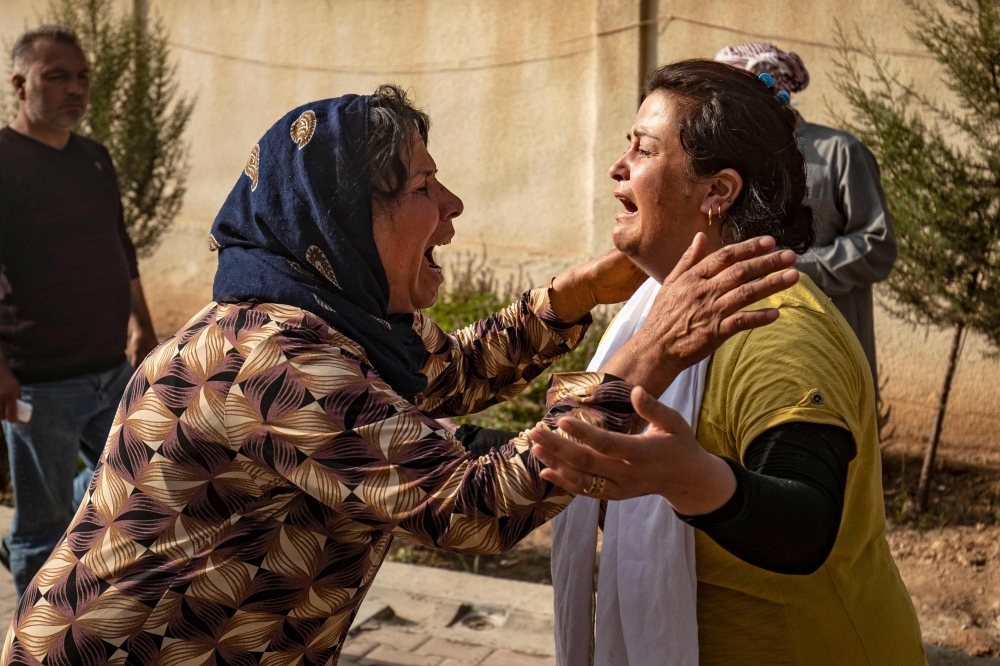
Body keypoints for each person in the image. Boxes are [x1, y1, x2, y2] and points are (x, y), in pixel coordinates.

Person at [0, 85, 798, 665]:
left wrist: (575, 298)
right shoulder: (267, 357)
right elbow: (470, 509)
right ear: (341, 219)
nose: (452, 205)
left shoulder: (345, 325)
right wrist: (644, 354)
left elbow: (439, 373)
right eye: (422, 188)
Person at [533, 61, 926, 665]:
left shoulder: (775, 325)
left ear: (718, 191)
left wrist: (688, 478)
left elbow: (805, 521)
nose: (618, 167)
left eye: (642, 149)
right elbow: (563, 437)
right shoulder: (649, 310)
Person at [0, 25, 158, 596]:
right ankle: (33, 644)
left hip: (110, 369)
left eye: (83, 76)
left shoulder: (95, 157)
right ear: (20, 84)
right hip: (40, 385)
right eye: (57, 76)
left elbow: (120, 244)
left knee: (145, 475)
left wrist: (142, 320)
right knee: (40, 532)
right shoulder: (5, 161)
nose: (75, 88)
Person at [716, 42, 897, 382]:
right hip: (755, 356)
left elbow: (877, 246)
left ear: (770, 91)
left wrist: (791, 266)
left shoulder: (840, 152)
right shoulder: (734, 163)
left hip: (831, 348)